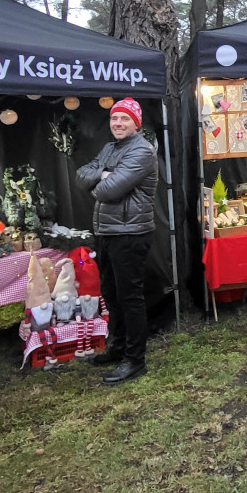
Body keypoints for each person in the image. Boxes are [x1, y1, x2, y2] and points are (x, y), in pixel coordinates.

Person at [76, 97, 158, 385]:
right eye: (114, 119)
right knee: (111, 294)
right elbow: (80, 175)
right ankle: (119, 347)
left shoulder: (143, 151)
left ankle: (135, 360)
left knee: (130, 297)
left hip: (131, 233)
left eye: (124, 119)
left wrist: (100, 178)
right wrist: (103, 172)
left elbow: (107, 191)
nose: (118, 124)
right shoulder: (109, 148)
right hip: (109, 232)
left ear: (136, 123)